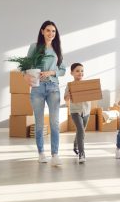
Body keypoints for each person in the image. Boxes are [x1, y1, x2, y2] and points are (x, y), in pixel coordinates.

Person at [25, 20, 66, 166]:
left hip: (53, 87)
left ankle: (55, 154)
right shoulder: (34, 47)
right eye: (48, 30)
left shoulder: (57, 49)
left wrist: (51, 72)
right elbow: (26, 66)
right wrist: (26, 76)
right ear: (42, 31)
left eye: (53, 31)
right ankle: (41, 153)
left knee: (55, 123)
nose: (51, 33)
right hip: (37, 88)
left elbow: (63, 70)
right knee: (40, 123)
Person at [64, 63, 91, 164]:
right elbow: (65, 98)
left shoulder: (87, 84)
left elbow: (92, 95)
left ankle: (75, 145)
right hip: (75, 111)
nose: (80, 73)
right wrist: (69, 95)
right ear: (72, 73)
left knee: (81, 131)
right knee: (81, 131)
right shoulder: (69, 85)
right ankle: (82, 153)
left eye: (82, 71)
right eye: (77, 71)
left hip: (86, 111)